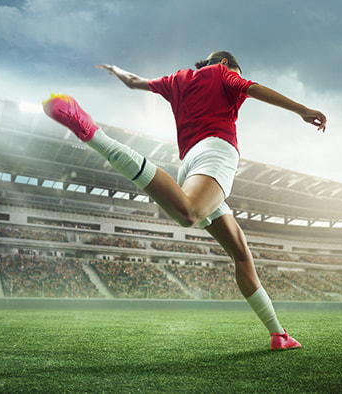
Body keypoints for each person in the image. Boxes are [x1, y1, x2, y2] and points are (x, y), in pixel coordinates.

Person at [43, 51, 326, 350]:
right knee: (189, 213)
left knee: (241, 254)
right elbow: (252, 88)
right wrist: (302, 109)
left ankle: (278, 334)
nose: (237, 78)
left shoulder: (177, 79)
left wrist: (116, 69)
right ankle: (96, 136)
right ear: (225, 63)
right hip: (217, 152)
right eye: (237, 71)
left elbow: (134, 83)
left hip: (189, 162)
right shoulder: (222, 72)